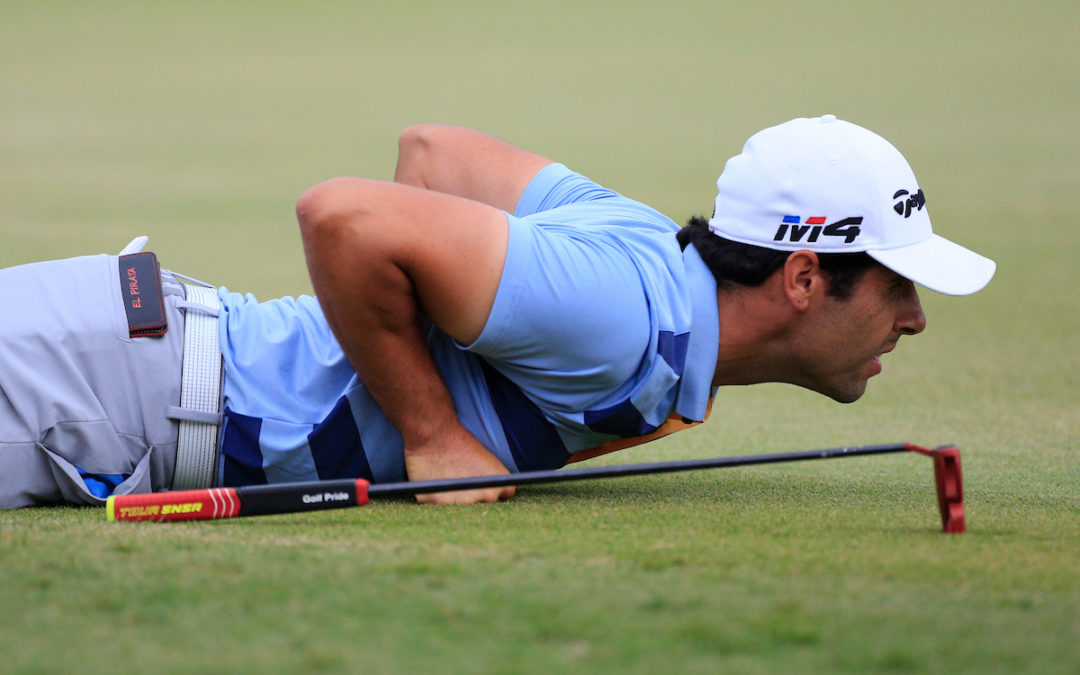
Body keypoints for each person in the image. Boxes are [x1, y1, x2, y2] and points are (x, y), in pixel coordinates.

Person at [0, 115, 996, 509]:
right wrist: (433, 432)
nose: (913, 320)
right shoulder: (626, 322)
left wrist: (446, 338)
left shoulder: (653, 268)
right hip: (96, 386)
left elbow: (434, 154)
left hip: (128, 353)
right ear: (806, 278)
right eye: (899, 286)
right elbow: (343, 216)